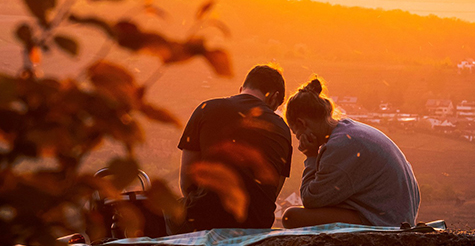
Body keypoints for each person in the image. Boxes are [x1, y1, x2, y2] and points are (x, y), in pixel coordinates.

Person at [282, 77, 420, 229]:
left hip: (386, 223)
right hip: (395, 215)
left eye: (297, 134)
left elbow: (311, 200)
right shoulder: (349, 130)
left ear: (303, 123)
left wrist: (311, 156)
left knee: (291, 217)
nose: (299, 140)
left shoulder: (340, 146)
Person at [174, 64, 292, 232]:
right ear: (274, 97)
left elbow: (187, 181)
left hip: (205, 220)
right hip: (257, 225)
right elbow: (272, 191)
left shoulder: (206, 109)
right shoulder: (282, 128)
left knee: (168, 210)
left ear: (242, 89)